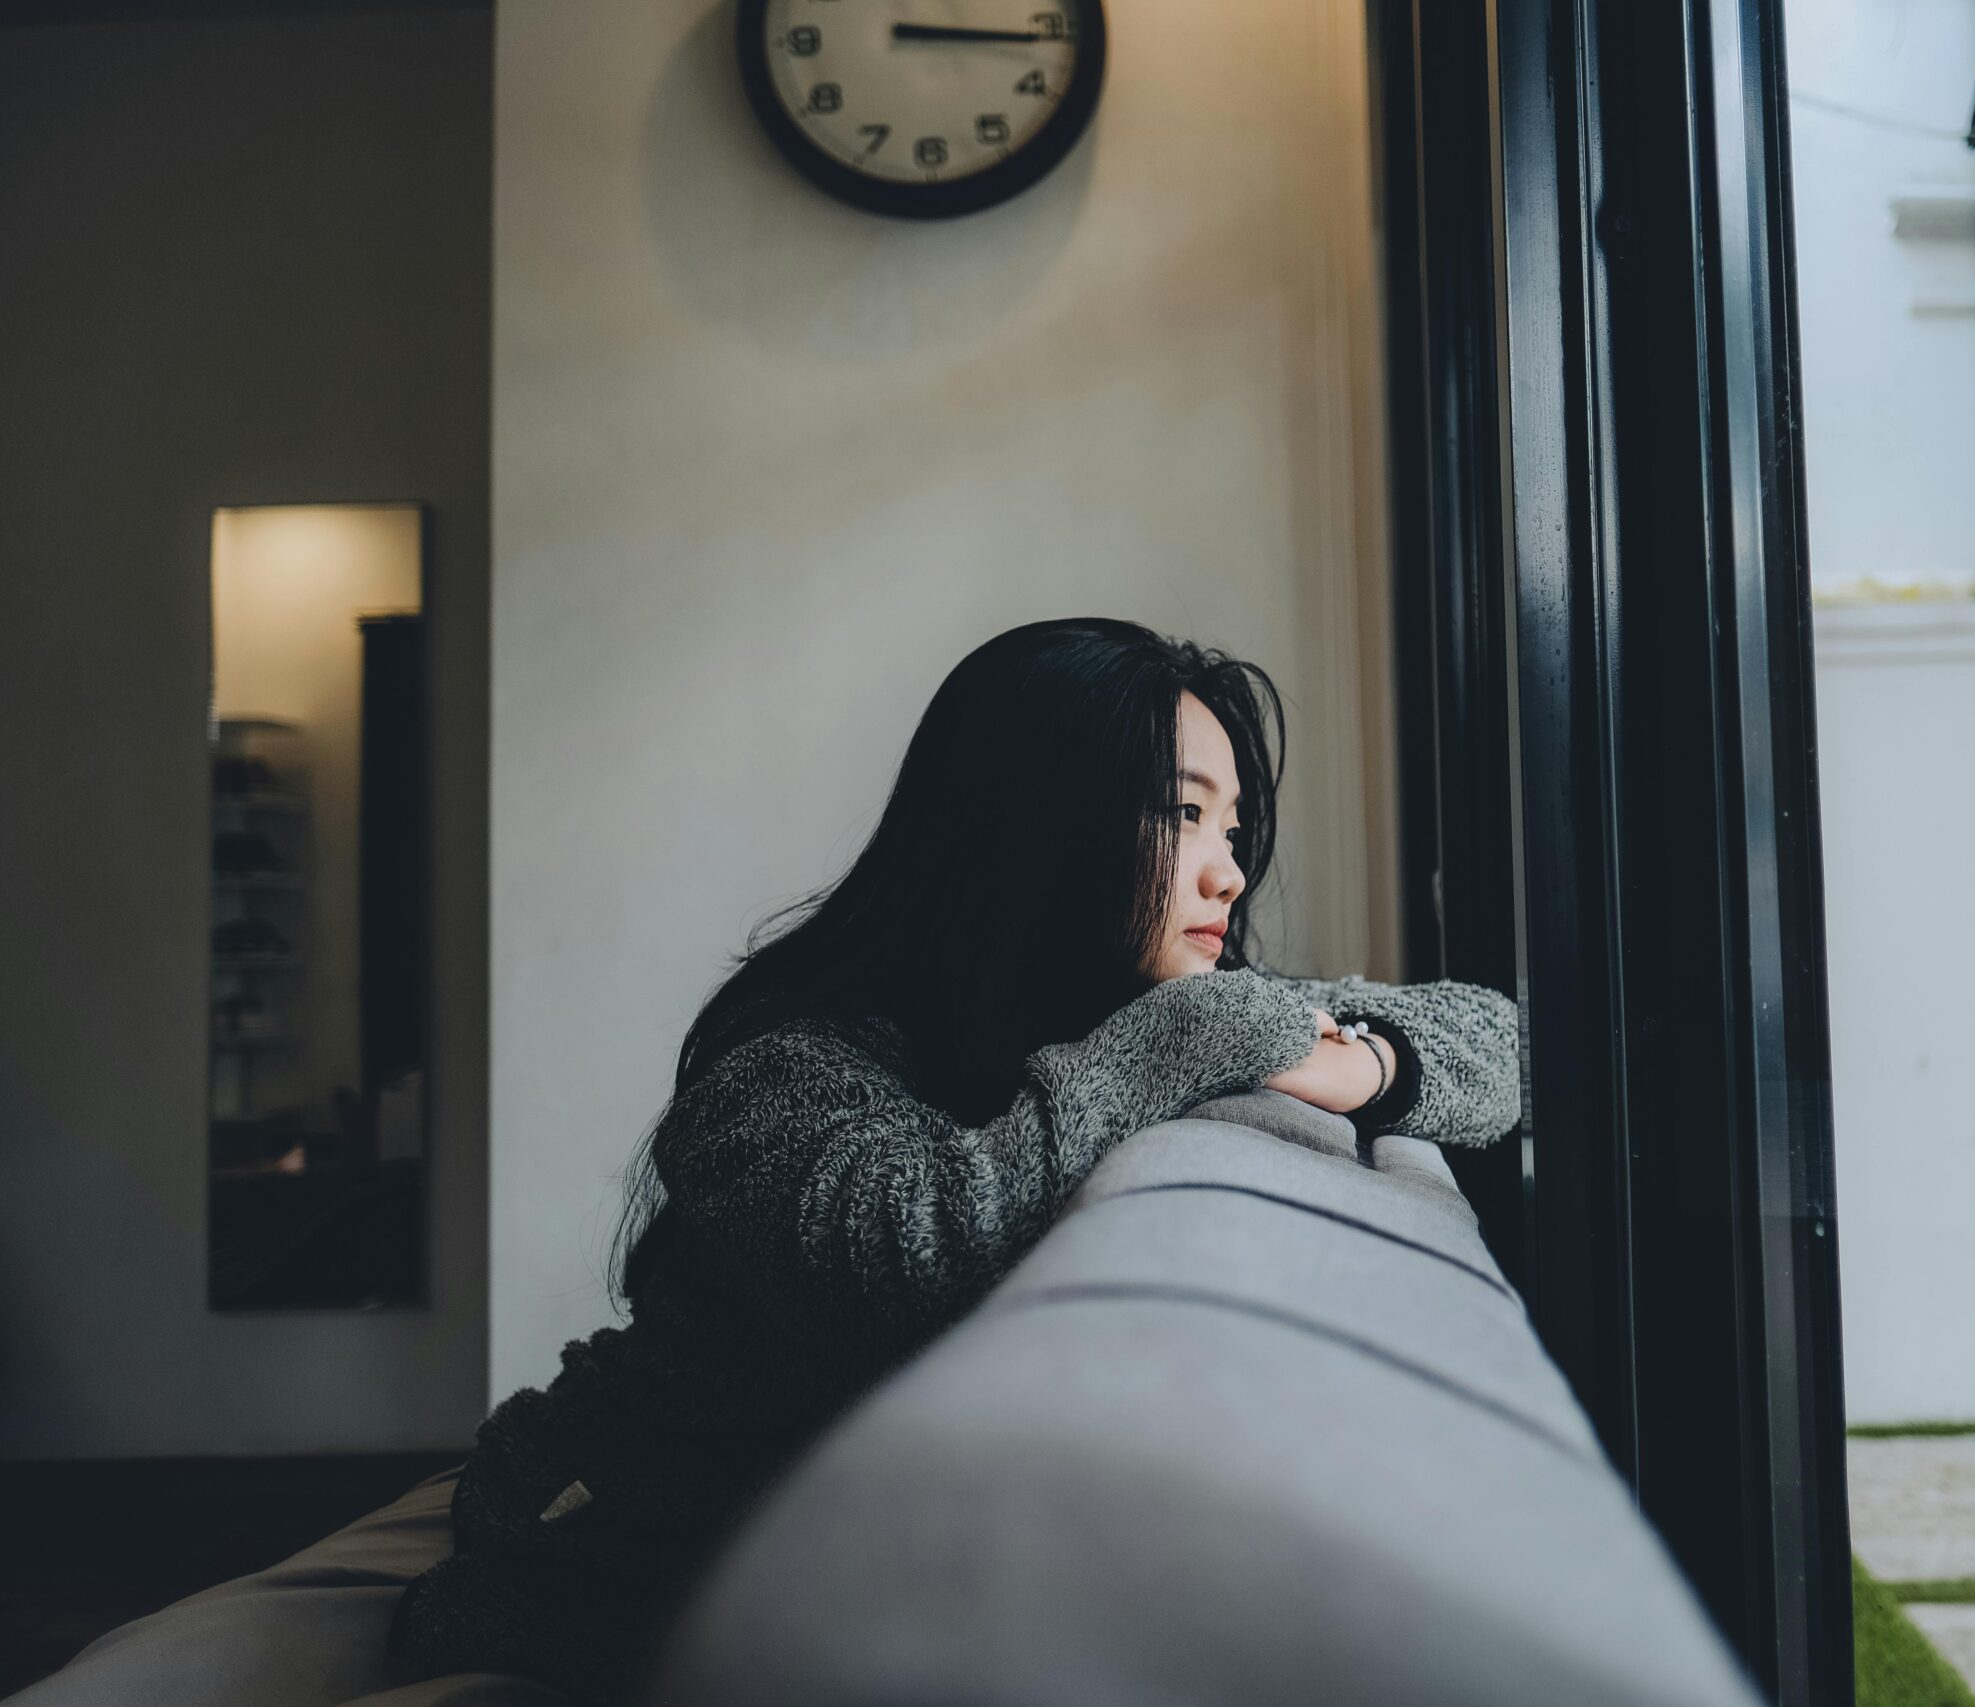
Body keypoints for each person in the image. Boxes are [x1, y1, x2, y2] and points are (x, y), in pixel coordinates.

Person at [388, 617, 1522, 1702]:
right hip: (590, 1538)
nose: (1228, 873)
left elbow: (1505, 1041)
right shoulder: (782, 1068)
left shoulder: (1137, 1011)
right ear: (1035, 823)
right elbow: (917, 1244)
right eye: (1184, 814)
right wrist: (1200, 1035)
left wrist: (1367, 1065)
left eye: (1234, 831)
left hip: (831, 1556)